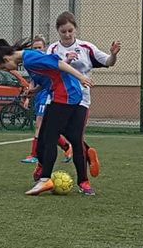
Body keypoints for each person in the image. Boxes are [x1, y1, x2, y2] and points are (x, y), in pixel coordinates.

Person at [0, 39, 93, 196]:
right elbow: (51, 76)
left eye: (4, 68)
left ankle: (45, 178)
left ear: (6, 58)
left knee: (49, 138)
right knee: (68, 137)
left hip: (65, 95)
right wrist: (36, 90)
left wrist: (81, 77)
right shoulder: (28, 59)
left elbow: (59, 64)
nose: (8, 70)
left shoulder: (30, 59)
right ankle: (83, 182)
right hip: (64, 94)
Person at [48, 11, 121, 180]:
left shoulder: (86, 48)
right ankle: (86, 152)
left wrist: (113, 54)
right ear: (58, 31)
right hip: (59, 98)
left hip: (81, 99)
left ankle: (83, 181)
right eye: (63, 31)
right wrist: (65, 61)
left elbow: (108, 62)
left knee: (75, 136)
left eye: (70, 31)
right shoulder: (53, 49)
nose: (67, 35)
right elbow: (49, 71)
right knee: (52, 131)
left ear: (76, 29)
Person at [21, 35, 72, 164]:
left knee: (39, 125)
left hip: (47, 95)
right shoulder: (33, 63)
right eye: (35, 48)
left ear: (44, 48)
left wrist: (68, 60)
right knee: (45, 128)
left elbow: (59, 69)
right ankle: (66, 146)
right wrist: (28, 98)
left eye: (40, 47)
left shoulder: (46, 61)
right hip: (38, 96)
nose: (37, 50)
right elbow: (32, 82)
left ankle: (34, 155)